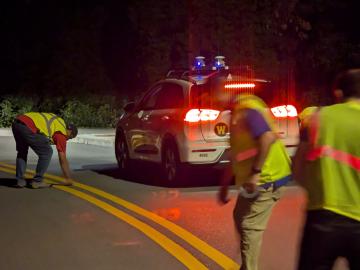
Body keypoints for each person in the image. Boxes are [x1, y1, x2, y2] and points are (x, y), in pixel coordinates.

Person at [293, 69, 360, 270]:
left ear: (338, 94)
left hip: (322, 218)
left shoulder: (318, 118)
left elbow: (297, 169)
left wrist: (316, 190)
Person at [218, 93, 292, 270]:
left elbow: (266, 137)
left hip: (267, 177)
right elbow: (236, 154)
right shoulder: (236, 115)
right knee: (239, 216)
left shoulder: (247, 111)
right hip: (254, 181)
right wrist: (224, 185)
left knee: (249, 226)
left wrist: (255, 173)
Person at [12, 112, 78, 188]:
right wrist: (68, 178)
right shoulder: (61, 132)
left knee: (22, 152)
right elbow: (62, 158)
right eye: (70, 137)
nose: (67, 139)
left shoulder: (58, 122)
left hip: (17, 123)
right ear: (70, 131)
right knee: (47, 152)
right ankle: (37, 181)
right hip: (28, 126)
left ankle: (20, 181)